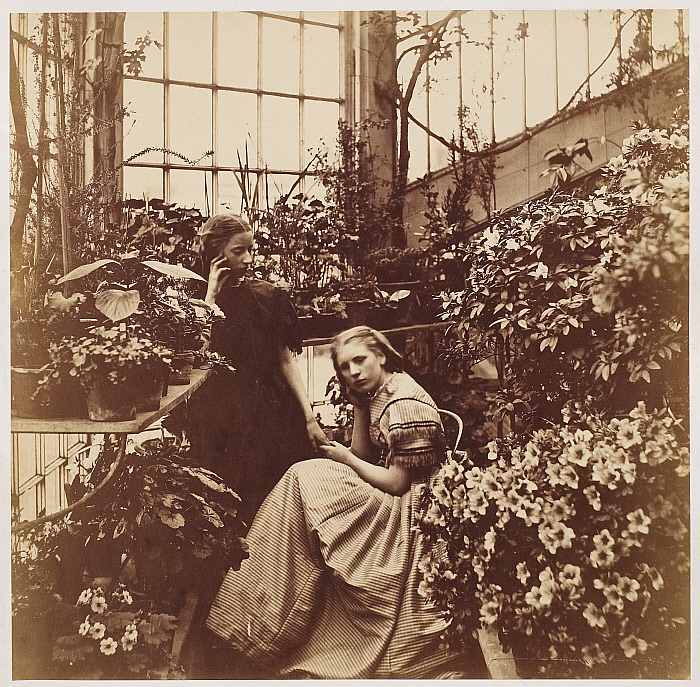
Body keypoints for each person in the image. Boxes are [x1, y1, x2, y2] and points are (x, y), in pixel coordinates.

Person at [205, 326, 476, 679]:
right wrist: (358, 406)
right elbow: (364, 452)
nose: (354, 372)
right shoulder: (378, 392)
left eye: (360, 360)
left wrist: (344, 460)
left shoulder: (405, 403)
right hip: (393, 492)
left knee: (305, 481)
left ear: (382, 355)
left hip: (414, 510)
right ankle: (253, 617)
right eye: (345, 367)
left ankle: (259, 622)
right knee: (302, 484)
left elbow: (396, 483)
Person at [184, 212, 328, 527]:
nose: (248, 258)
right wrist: (210, 296)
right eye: (239, 251)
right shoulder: (193, 299)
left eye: (251, 249)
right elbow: (194, 358)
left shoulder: (269, 298)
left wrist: (309, 417)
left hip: (269, 414)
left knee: (276, 502)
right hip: (219, 416)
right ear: (215, 253)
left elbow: (286, 361)